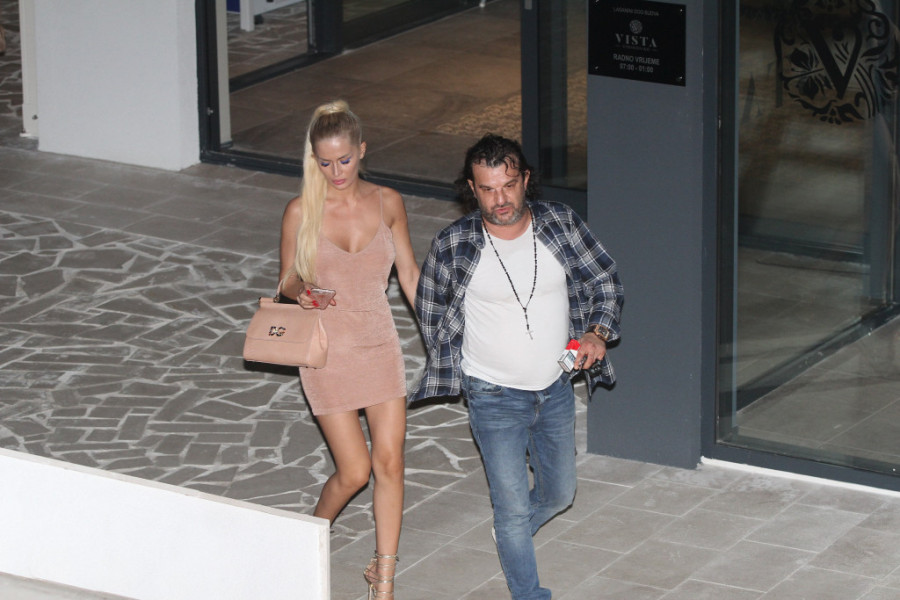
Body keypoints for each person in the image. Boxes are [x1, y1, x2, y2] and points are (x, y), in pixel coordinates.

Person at [411, 134, 623, 600]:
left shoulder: (560, 223)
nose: (500, 199)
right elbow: (430, 311)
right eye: (487, 189)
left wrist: (596, 332)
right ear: (472, 188)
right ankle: (528, 588)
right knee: (509, 510)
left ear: (526, 179)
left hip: (555, 388)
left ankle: (511, 537)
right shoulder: (454, 244)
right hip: (492, 396)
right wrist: (459, 367)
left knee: (559, 494)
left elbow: (605, 279)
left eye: (508, 185)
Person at [279, 100, 419, 600]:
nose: (336, 172)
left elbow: (409, 274)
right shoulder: (301, 211)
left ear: (362, 150)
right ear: (313, 160)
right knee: (355, 471)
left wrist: (440, 328)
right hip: (328, 351)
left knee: (390, 463)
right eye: (325, 162)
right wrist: (302, 292)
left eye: (344, 159)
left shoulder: (388, 202)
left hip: (379, 343)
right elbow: (287, 280)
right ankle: (308, 537)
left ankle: (384, 578)